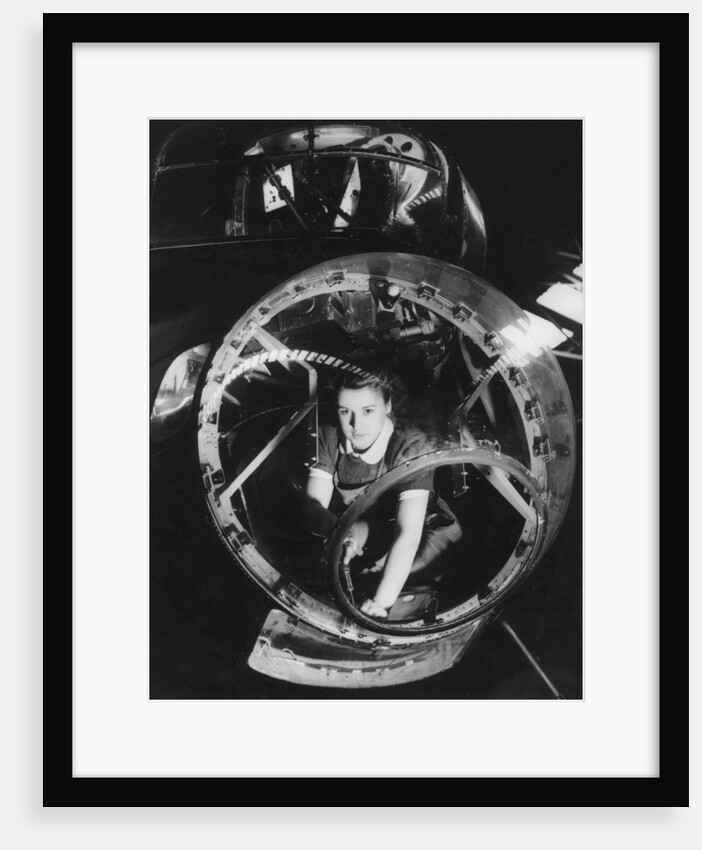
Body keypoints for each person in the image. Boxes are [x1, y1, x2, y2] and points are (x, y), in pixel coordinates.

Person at [303, 369, 462, 619]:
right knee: (324, 567)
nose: (356, 425)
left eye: (368, 411)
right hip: (369, 525)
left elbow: (408, 535)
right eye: (345, 412)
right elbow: (313, 507)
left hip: (424, 530)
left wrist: (381, 604)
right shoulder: (328, 435)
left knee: (379, 577)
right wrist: (342, 536)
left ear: (387, 405)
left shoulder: (410, 445)